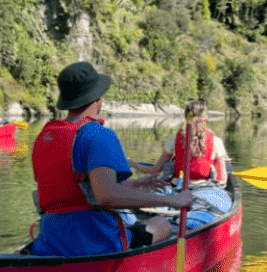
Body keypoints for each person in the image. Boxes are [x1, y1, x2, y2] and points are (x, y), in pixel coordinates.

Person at [30, 61, 192, 257]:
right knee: (162, 224)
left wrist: (136, 185)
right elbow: (106, 196)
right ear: (98, 99)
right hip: (97, 242)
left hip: (51, 240)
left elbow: (81, 190)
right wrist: (173, 200)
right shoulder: (99, 135)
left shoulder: (45, 137)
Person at [132, 99, 228, 187]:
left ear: (186, 117)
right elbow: (222, 179)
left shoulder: (174, 138)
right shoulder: (217, 142)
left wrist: (133, 164)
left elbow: (155, 170)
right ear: (206, 118)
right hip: (205, 188)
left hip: (178, 186)